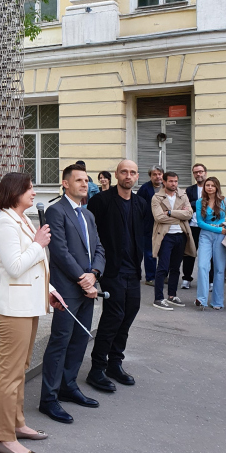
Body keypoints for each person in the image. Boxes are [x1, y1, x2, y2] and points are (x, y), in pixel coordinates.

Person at [0, 173, 65, 453]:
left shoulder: (21, 218)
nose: (34, 192)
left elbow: (36, 268)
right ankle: (5, 437)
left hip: (29, 305)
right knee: (10, 374)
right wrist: (38, 243)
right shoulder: (4, 222)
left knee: (20, 368)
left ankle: (17, 423)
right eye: (30, 188)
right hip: (13, 310)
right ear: (15, 191)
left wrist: (50, 291)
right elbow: (16, 266)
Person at [39, 164, 105, 424]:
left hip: (87, 287)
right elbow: (60, 252)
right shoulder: (57, 211)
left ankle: (68, 386)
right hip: (68, 289)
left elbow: (99, 247)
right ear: (65, 184)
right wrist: (82, 279)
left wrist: (95, 274)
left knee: (80, 339)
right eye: (78, 180)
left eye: (86, 180)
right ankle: (49, 399)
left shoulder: (88, 214)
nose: (84, 184)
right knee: (60, 341)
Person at [87, 160, 146, 391]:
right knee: (113, 316)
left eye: (132, 172)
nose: (128, 176)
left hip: (133, 270)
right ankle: (96, 369)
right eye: (124, 172)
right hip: (111, 270)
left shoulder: (140, 203)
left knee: (129, 314)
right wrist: (94, 269)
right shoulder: (100, 201)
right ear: (116, 175)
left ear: (137, 176)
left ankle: (115, 363)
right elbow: (91, 237)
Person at [151, 172, 195, 310]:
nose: (174, 184)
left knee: (175, 268)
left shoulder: (182, 195)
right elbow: (159, 217)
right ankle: (158, 298)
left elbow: (189, 214)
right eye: (170, 181)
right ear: (164, 182)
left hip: (180, 235)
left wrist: (170, 212)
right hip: (165, 236)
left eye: (175, 181)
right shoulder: (157, 197)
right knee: (162, 268)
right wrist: (179, 215)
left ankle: (172, 296)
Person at [195, 176, 226, 310]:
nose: (210, 187)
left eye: (212, 185)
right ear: (204, 187)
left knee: (219, 269)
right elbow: (200, 223)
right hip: (206, 235)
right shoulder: (200, 202)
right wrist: (218, 229)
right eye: (207, 185)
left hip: (221, 236)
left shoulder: (225, 201)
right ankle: (201, 299)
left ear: (217, 187)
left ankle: (217, 302)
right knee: (202, 266)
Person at [181, 163, 212, 290]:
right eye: (195, 172)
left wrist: (195, 204)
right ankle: (187, 279)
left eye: (200, 171)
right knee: (189, 253)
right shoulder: (190, 190)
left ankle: (211, 281)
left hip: (209, 226)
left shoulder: (211, 187)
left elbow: (214, 203)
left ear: (205, 172)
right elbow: (186, 206)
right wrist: (199, 203)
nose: (198, 174)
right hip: (193, 226)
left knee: (210, 255)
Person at [136, 166, 164, 286]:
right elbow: (138, 205)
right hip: (148, 225)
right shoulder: (145, 188)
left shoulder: (166, 186)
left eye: (159, 174)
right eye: (154, 174)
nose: (157, 176)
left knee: (164, 251)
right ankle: (150, 277)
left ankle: (163, 275)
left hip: (165, 224)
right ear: (150, 176)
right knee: (150, 252)